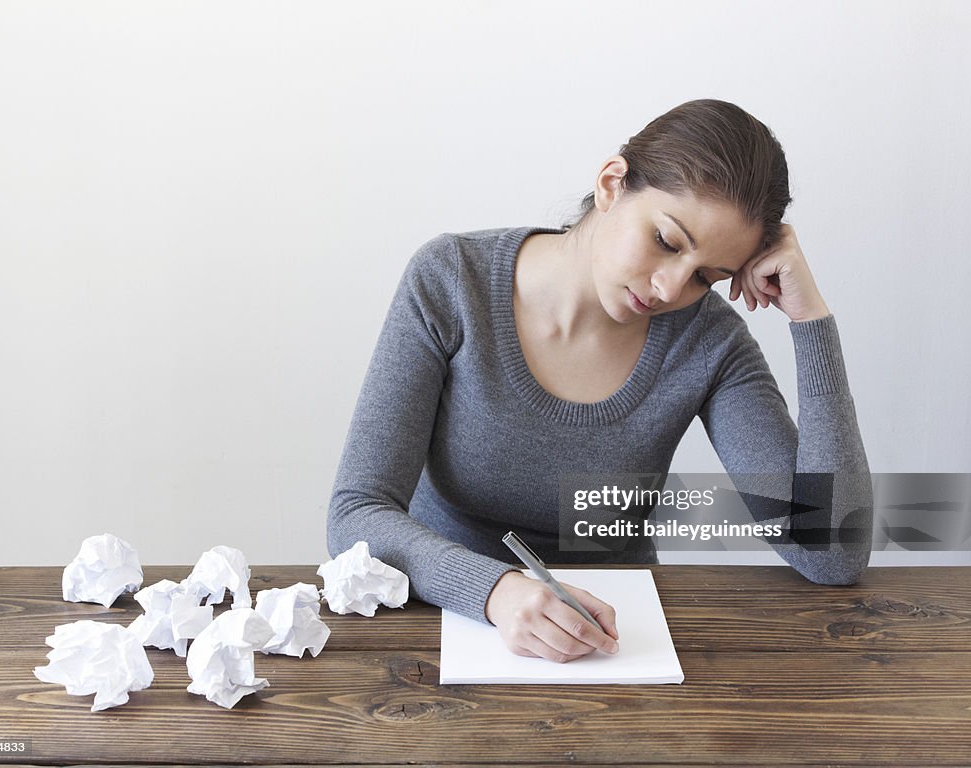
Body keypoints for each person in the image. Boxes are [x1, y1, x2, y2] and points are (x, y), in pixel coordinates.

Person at [326, 99, 873, 664]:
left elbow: (831, 553)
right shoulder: (450, 281)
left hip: (618, 647)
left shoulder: (708, 342)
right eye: (666, 240)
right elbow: (357, 512)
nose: (669, 288)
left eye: (706, 277)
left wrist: (812, 325)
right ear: (612, 183)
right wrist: (495, 591)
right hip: (446, 630)